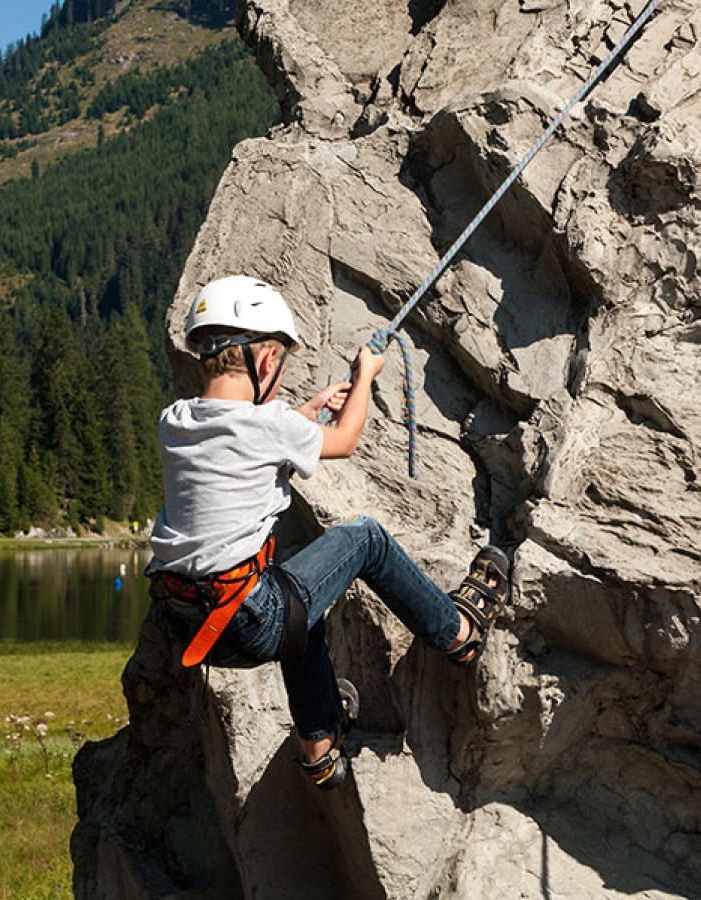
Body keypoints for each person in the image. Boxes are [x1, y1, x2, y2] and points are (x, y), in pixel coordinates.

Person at [147, 275, 510, 790]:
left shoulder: (175, 420)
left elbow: (239, 442)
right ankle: (458, 632)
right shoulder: (269, 426)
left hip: (190, 624)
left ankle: (319, 745)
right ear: (268, 363)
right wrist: (365, 376)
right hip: (250, 622)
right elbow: (343, 440)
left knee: (295, 592)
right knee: (364, 538)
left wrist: (305, 412)